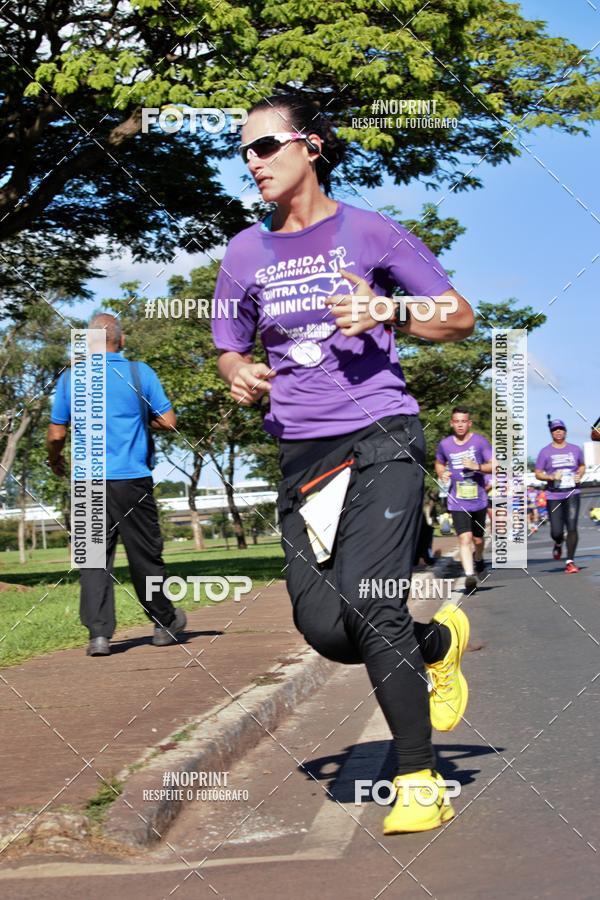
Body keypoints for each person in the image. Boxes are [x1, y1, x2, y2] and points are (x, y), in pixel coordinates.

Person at [211, 93, 476, 835]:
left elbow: (458, 315)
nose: (253, 162)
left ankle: (419, 779)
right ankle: (438, 645)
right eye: (245, 152)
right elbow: (230, 343)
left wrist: (389, 312)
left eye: (265, 146)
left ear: (310, 146)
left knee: (368, 598)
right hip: (304, 452)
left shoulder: (369, 230)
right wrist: (237, 370)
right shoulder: (243, 252)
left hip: (383, 434)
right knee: (327, 627)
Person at [47, 314, 187, 655]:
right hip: (132, 480)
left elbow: (56, 433)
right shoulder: (140, 372)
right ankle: (163, 623)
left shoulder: (70, 378)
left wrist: (55, 459)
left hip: (87, 481)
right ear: (120, 341)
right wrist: (143, 419)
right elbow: (169, 421)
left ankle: (98, 635)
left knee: (94, 559)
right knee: (146, 556)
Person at [434, 408, 493, 593]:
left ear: (469, 424)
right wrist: (442, 473)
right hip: (457, 500)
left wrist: (477, 466)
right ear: (452, 423)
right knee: (464, 537)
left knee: (477, 539)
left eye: (463, 421)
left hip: (479, 499)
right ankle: (469, 575)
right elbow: (439, 463)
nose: (460, 425)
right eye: (456, 421)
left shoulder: (480, 442)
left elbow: (494, 465)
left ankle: (479, 559)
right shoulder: (445, 445)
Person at [534, 419, 585, 573]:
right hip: (553, 495)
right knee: (556, 532)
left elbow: (582, 466)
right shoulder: (545, 452)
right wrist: (550, 477)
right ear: (551, 433)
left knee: (572, 527)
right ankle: (558, 542)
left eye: (561, 429)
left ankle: (570, 561)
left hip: (572, 493)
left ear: (565, 431)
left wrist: (579, 475)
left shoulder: (575, 449)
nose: (558, 431)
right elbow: (537, 473)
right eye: (555, 429)